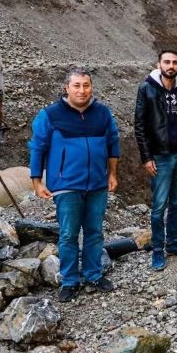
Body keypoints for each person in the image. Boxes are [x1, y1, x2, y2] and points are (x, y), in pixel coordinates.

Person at [29, 68, 119, 302]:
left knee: (95, 231)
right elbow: (37, 147)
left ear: (91, 87)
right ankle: (69, 280)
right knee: (68, 234)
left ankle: (93, 274)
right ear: (66, 88)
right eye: (77, 85)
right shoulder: (50, 115)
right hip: (66, 184)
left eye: (86, 85)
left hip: (97, 184)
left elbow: (113, 144)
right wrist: (37, 181)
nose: (82, 90)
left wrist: (112, 174)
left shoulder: (102, 113)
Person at [134, 50, 177, 271]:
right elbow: (140, 125)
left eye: (174, 62)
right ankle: (158, 249)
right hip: (160, 156)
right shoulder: (147, 89)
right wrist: (146, 157)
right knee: (159, 206)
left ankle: (172, 242)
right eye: (167, 62)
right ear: (159, 64)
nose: (171, 66)